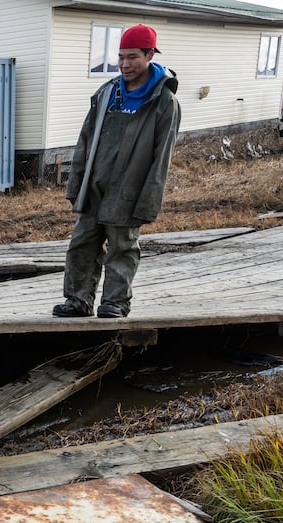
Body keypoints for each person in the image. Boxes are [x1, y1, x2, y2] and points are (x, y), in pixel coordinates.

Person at [53, 23, 181, 319]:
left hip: (129, 190)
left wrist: (148, 201)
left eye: (132, 57)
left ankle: (115, 302)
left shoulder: (164, 102)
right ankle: (78, 300)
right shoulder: (108, 92)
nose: (124, 64)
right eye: (121, 57)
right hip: (94, 186)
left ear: (150, 54)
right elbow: (84, 141)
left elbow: (162, 158)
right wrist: (76, 185)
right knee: (82, 244)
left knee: (122, 248)